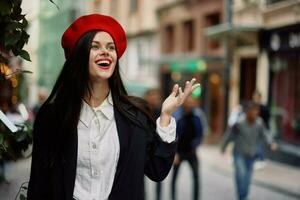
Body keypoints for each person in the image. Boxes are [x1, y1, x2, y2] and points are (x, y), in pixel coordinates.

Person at [27, 13, 200, 200]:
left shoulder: (135, 116)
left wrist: (165, 116)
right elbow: (39, 184)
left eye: (111, 47)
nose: (106, 52)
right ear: (79, 55)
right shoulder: (52, 116)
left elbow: (157, 171)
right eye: (95, 46)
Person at [221, 101, 276, 200]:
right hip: (239, 154)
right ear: (247, 112)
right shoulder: (239, 123)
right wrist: (223, 147)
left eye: (256, 111)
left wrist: (270, 143)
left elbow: (265, 134)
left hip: (251, 155)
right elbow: (229, 135)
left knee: (247, 179)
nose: (254, 114)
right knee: (241, 175)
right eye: (252, 111)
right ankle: (242, 197)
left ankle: (243, 196)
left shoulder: (259, 123)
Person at [171, 95, 205, 200]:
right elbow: (173, 135)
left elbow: (200, 134)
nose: (189, 104)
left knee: (196, 177)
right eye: (187, 102)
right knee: (174, 179)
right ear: (183, 103)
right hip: (179, 152)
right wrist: (174, 152)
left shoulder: (198, 115)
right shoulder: (177, 115)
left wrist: (195, 145)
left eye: (191, 102)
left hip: (191, 152)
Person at [143, 88, 163, 200]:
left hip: (157, 150)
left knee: (159, 177)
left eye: (155, 96)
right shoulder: (142, 111)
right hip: (143, 149)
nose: (153, 99)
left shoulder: (162, 111)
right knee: (139, 178)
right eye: (151, 96)